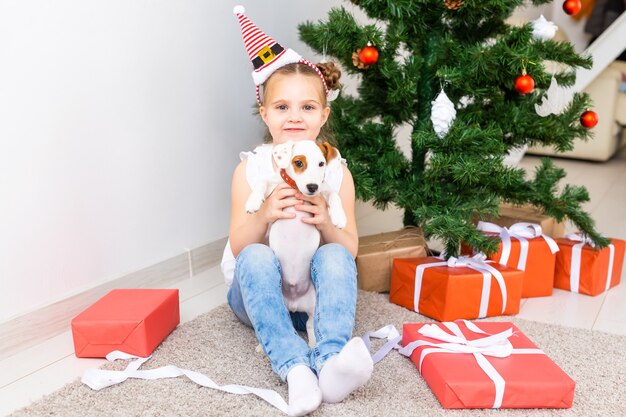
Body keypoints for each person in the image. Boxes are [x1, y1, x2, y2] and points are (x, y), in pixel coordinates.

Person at [220, 6, 373, 417]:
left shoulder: (336, 171)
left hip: (310, 289)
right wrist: (266, 213)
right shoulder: (249, 169)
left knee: (336, 255)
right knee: (254, 254)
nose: (294, 117)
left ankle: (329, 361)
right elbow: (239, 246)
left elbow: (350, 250)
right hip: (257, 291)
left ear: (323, 116)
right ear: (265, 114)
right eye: (282, 107)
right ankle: (293, 367)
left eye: (307, 108)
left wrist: (326, 221)